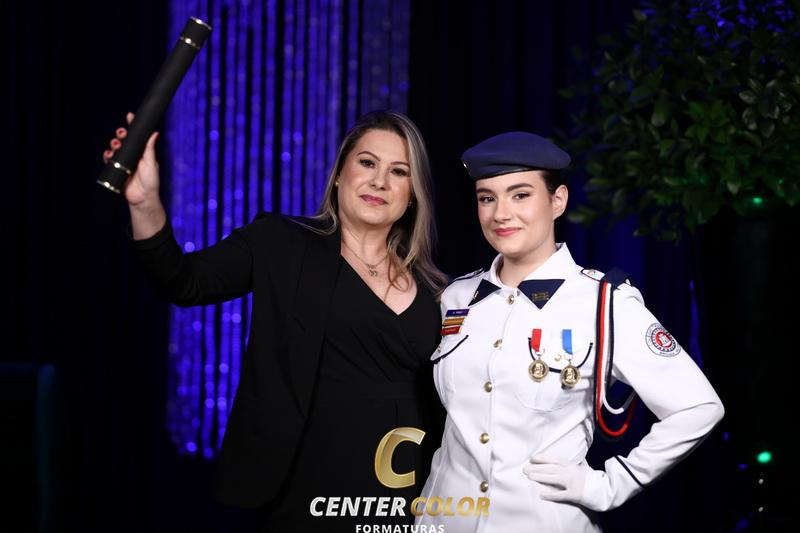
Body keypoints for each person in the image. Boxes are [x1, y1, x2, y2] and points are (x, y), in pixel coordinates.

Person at [103, 110, 448, 531]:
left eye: (399, 171)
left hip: (405, 488)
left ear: (412, 194)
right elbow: (184, 281)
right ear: (339, 174)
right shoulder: (281, 243)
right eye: (367, 162)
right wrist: (144, 203)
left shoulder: (437, 290)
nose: (380, 181)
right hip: (306, 487)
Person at [416, 132, 724, 532]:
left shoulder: (604, 303)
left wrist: (610, 486)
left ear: (557, 200)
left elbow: (698, 407)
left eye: (520, 195)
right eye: (487, 198)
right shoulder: (456, 297)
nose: (501, 213)